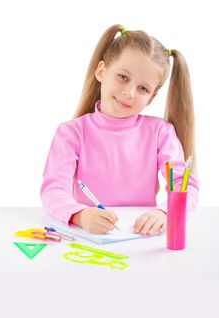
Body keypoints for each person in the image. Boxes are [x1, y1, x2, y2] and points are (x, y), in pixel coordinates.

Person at [40, 24, 199, 236]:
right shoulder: (70, 133)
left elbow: (184, 184)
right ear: (101, 71)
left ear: (151, 97)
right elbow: (53, 190)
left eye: (143, 88)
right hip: (89, 237)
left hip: (142, 238)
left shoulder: (161, 132)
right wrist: (80, 215)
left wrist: (165, 213)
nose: (129, 93)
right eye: (123, 77)